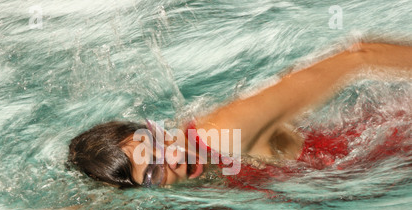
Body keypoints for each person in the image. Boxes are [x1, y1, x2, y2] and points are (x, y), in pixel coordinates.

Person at [68, 42, 412, 189]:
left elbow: (356, 56)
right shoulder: (191, 184)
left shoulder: (222, 133)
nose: (173, 157)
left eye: (158, 143)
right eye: (155, 171)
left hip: (395, 145)